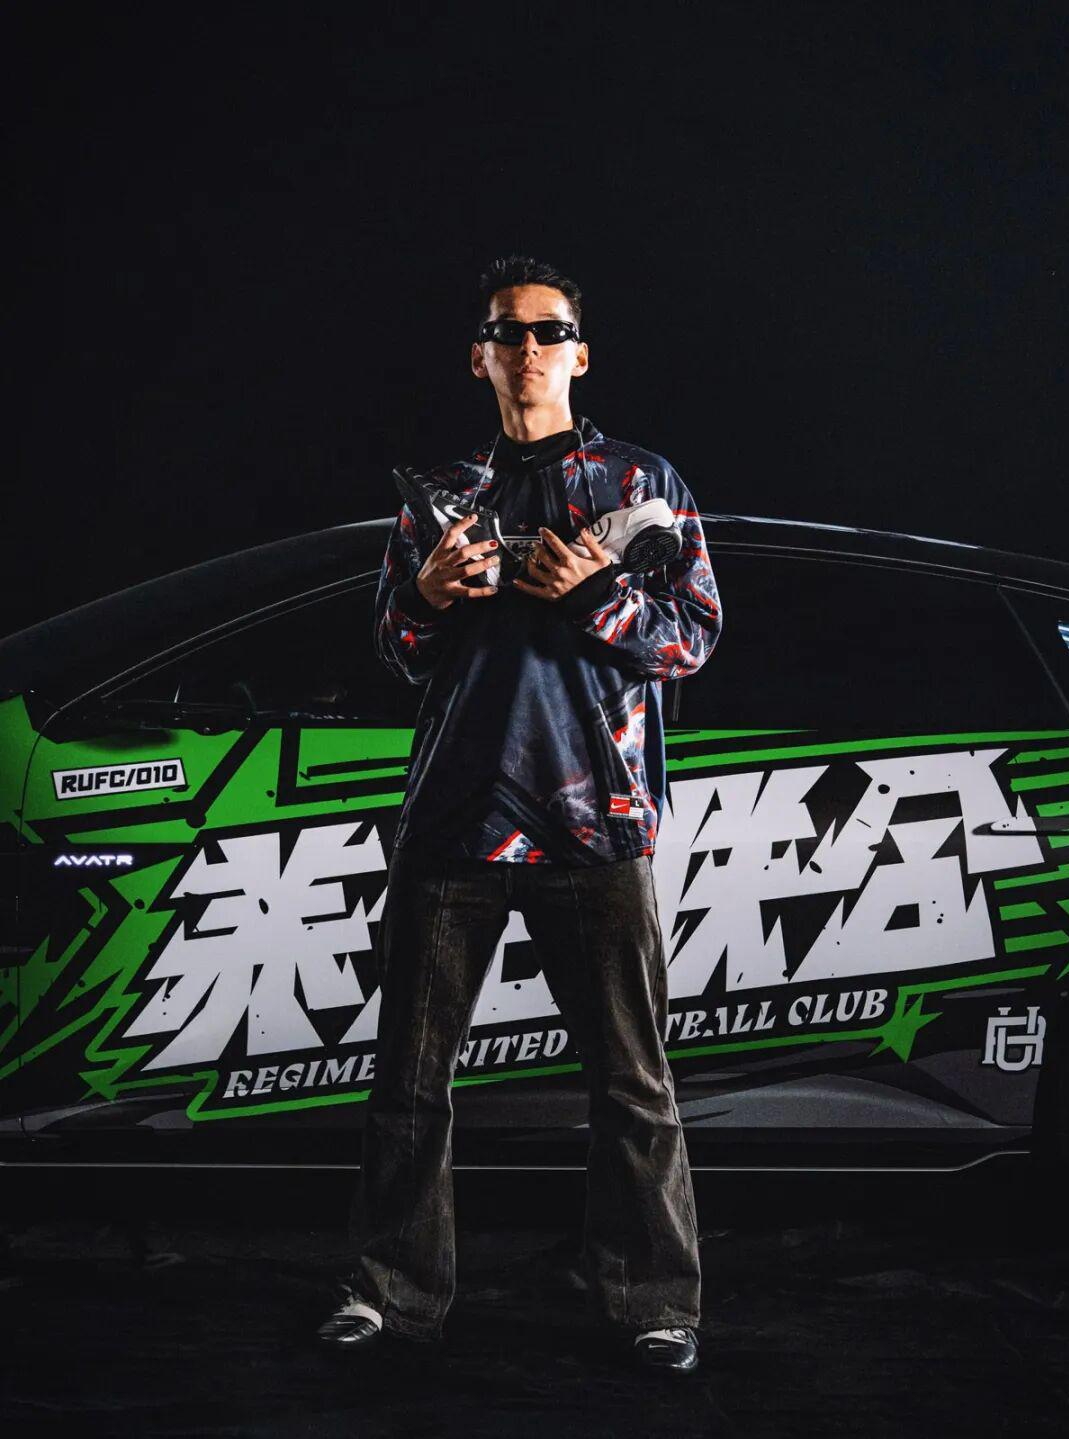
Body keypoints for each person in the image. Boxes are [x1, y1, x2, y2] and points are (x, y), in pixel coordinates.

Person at [317, 255, 722, 1374]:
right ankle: (390, 1292)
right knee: (410, 1081)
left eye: (549, 331)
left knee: (632, 1081)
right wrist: (426, 597)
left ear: (579, 353)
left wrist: (597, 594)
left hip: (596, 822)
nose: (529, 348)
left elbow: (694, 636)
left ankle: (656, 1300)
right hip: (455, 817)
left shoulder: (642, 482)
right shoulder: (442, 495)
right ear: (481, 356)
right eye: (509, 331)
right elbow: (397, 649)